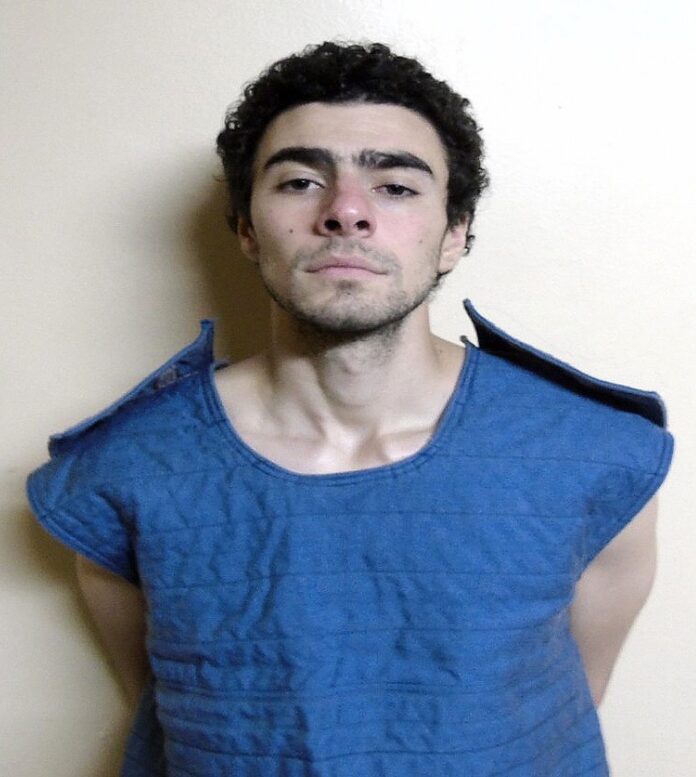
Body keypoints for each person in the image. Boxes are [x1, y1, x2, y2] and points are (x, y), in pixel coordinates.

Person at [26, 41, 674, 776]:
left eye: (395, 186)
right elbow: (167, 707)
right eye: (301, 181)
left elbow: (562, 707)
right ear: (246, 229)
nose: (346, 212)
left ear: (454, 234)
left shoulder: (597, 458)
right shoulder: (120, 474)